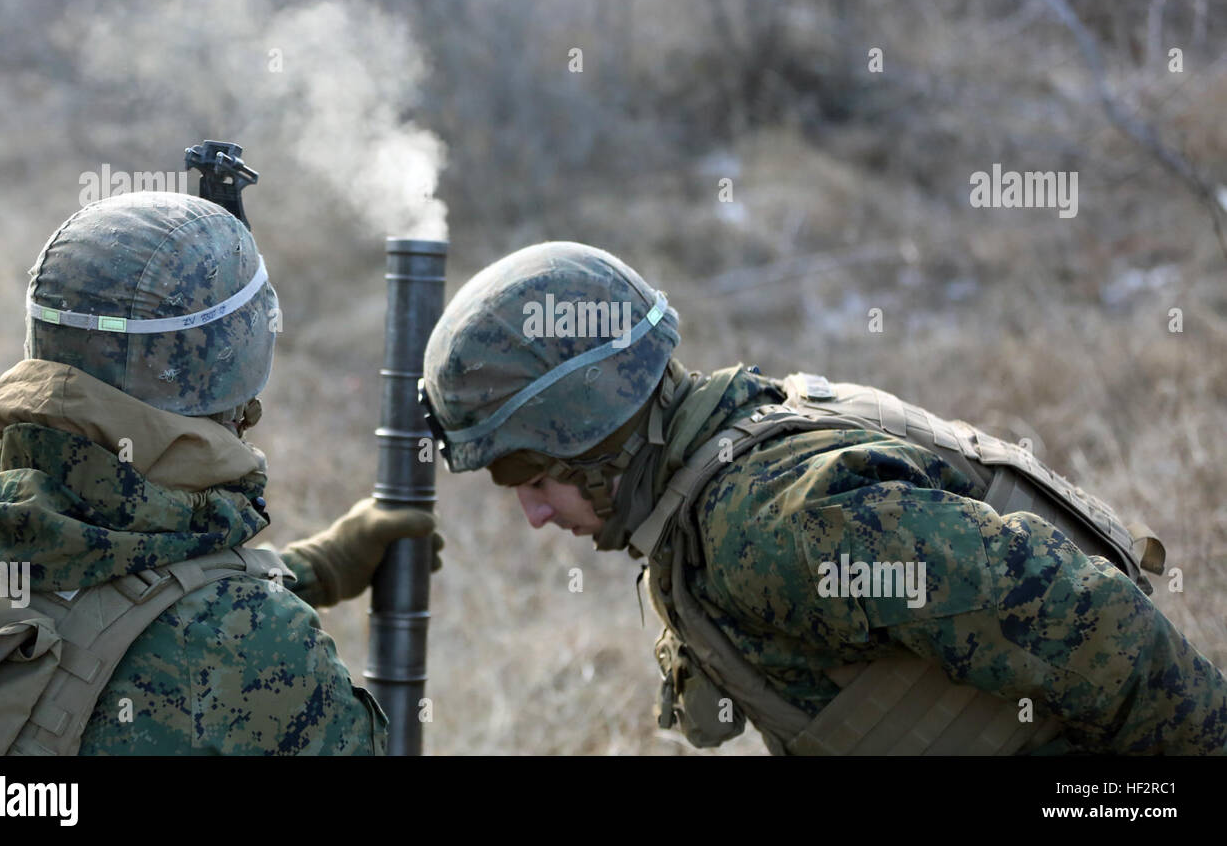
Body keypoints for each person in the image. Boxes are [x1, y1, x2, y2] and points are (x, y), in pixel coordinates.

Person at [420, 240, 1227, 755]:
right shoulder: (714, 480)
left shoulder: (775, 524)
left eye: (533, 481)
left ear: (593, 437)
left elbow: (1090, 626)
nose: (532, 515)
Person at [0, 191, 435, 755]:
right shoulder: (261, 645)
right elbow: (199, 645)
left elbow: (110, 592)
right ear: (236, 362)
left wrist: (313, 568)